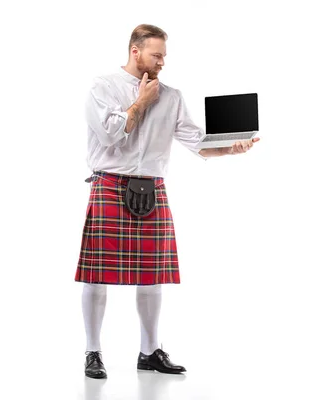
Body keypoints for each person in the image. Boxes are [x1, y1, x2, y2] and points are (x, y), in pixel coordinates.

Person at [75, 24, 260, 379]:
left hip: (152, 188)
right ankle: (93, 351)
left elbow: (198, 142)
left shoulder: (172, 96)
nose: (162, 62)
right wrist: (141, 102)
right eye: (156, 55)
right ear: (135, 51)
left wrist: (232, 147)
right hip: (109, 184)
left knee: (152, 276)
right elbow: (110, 134)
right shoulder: (103, 87)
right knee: (96, 275)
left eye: (164, 56)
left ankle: (149, 352)